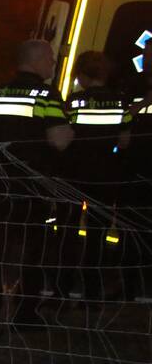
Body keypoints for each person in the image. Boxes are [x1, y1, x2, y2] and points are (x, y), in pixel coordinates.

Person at [0, 39, 73, 343]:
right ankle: (25, 314)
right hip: (31, 189)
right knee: (33, 253)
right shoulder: (47, 96)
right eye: (51, 60)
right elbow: (60, 140)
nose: (53, 65)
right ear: (37, 60)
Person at [60, 51, 132, 300]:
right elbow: (124, 141)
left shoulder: (75, 101)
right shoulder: (120, 101)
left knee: (68, 232)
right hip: (106, 174)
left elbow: (64, 136)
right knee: (97, 235)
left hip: (74, 172)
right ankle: (91, 293)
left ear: (81, 74)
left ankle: (62, 288)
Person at [120, 40, 152, 300]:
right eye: (146, 53)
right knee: (129, 227)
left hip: (141, 164)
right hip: (133, 165)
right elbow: (123, 116)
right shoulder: (133, 83)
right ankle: (129, 286)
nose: (146, 58)